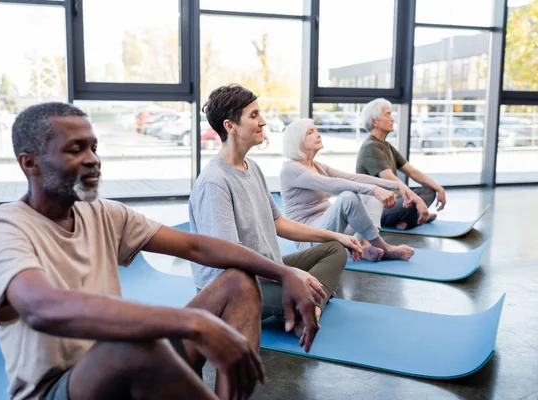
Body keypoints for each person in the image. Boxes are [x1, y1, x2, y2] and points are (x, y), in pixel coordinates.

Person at [0, 102, 322, 400]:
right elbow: (43, 308)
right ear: (29, 163)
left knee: (238, 282)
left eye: (94, 148)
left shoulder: (102, 212)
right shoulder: (6, 228)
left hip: (123, 365)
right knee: (136, 345)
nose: (92, 159)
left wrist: (283, 271)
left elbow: (195, 245)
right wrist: (193, 322)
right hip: (60, 388)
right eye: (75, 149)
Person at [189, 85, 364, 338]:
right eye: (253, 116)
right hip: (230, 291)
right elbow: (230, 257)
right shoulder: (214, 182)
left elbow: (279, 222)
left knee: (334, 250)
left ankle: (309, 305)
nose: (263, 122)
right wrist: (289, 274)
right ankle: (308, 305)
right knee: (304, 288)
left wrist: (336, 236)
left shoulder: (252, 167)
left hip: (267, 269)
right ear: (230, 126)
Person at [280, 119, 415, 261]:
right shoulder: (291, 169)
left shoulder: (317, 166)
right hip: (310, 240)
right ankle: (386, 248)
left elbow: (353, 178)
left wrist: (394, 185)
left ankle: (365, 245)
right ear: (297, 141)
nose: (318, 134)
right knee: (348, 197)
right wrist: (374, 189)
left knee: (371, 196)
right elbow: (332, 184)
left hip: (332, 229)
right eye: (310, 132)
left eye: (316, 130)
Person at [356, 98, 447, 230]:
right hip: (373, 208)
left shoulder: (386, 145)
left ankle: (407, 219)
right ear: (374, 122)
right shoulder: (370, 147)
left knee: (429, 191)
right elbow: (390, 179)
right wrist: (417, 200)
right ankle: (410, 218)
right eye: (387, 114)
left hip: (391, 201)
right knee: (410, 205)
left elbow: (412, 172)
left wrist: (439, 188)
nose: (392, 119)